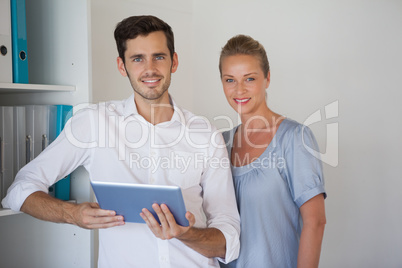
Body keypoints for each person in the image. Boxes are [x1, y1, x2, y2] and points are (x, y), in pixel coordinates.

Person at [2, 15, 240, 267]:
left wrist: (188, 234)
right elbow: (19, 190)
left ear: (174, 61)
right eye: (137, 59)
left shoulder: (206, 134)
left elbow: (229, 237)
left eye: (159, 56)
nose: (150, 68)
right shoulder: (94, 123)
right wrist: (72, 214)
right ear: (121, 65)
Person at [218, 35, 327, 268]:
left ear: (267, 78)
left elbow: (315, 222)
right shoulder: (220, 142)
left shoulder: (294, 138)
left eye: (249, 78)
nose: (239, 89)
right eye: (230, 80)